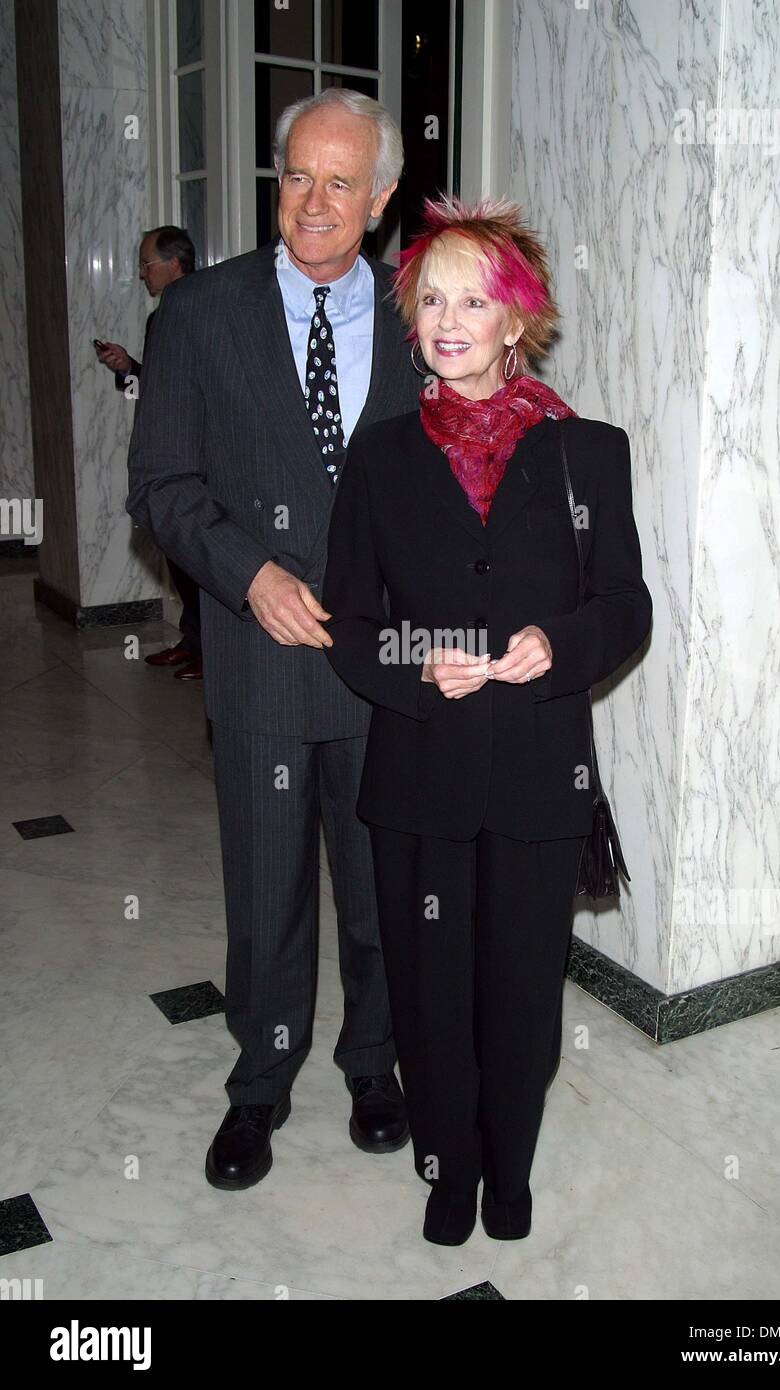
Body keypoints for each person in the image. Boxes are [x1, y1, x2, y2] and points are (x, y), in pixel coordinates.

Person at [322, 196, 652, 1244]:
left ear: (517, 320)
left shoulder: (585, 454)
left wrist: (558, 648)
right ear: (411, 317)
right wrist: (424, 666)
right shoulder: (376, 460)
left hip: (533, 777)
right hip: (416, 775)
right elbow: (351, 623)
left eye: (474, 298)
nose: (449, 316)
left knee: (517, 991)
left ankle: (507, 1168)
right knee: (427, 991)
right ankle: (446, 1167)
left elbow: (623, 605)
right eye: (430, 298)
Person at [126, 90, 421, 1191]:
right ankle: (261, 1080)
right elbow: (158, 484)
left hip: (382, 662)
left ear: (379, 198)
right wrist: (247, 577)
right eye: (296, 175)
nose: (312, 202)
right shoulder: (199, 314)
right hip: (258, 657)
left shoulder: (415, 318)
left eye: (340, 182)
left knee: (383, 878)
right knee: (265, 887)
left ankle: (376, 1064)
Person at [98, 227, 203, 680]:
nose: (142, 273)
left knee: (200, 558)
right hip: (168, 455)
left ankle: (209, 651)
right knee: (180, 559)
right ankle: (194, 640)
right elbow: (161, 389)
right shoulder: (158, 318)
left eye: (147, 264)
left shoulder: (204, 310)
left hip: (200, 458)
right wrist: (129, 370)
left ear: (174, 263)